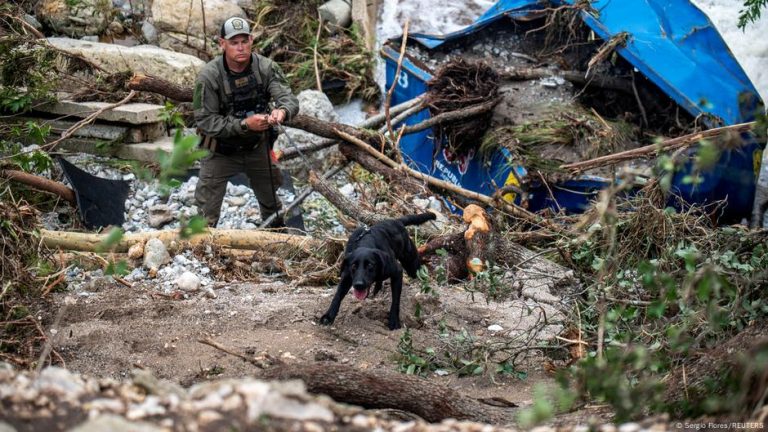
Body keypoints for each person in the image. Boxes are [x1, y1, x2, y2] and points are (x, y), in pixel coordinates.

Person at [193, 16, 299, 228]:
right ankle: (201, 251)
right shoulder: (207, 76)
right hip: (220, 151)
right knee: (206, 214)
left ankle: (277, 242)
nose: (240, 48)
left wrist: (282, 111)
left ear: (251, 40)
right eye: (234, 42)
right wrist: (243, 125)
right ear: (222, 43)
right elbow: (205, 121)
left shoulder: (266, 67)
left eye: (244, 41)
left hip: (257, 147)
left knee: (272, 206)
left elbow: (289, 99)